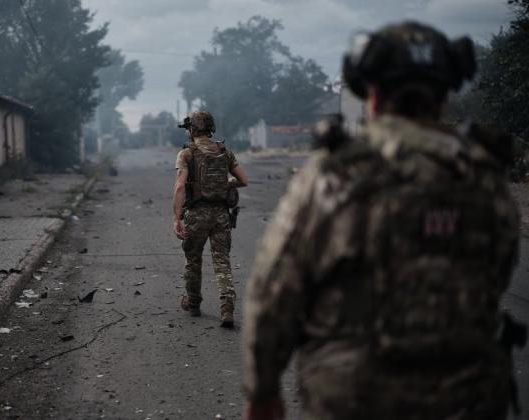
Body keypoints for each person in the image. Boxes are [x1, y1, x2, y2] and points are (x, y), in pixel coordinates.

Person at [243, 21, 525, 420]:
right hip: (467, 396)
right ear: (443, 97)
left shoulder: (334, 173)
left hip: (354, 397)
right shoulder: (483, 174)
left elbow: (274, 289)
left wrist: (263, 390)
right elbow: (499, 270)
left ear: (370, 93)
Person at [173, 110, 249, 328]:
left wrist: (176, 218)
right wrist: (226, 184)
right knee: (222, 262)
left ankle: (194, 303)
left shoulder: (186, 154)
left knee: (193, 260)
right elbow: (243, 180)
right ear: (210, 129)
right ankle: (227, 308)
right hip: (221, 216)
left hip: (196, 215)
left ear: (192, 130)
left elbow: (179, 187)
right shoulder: (225, 152)